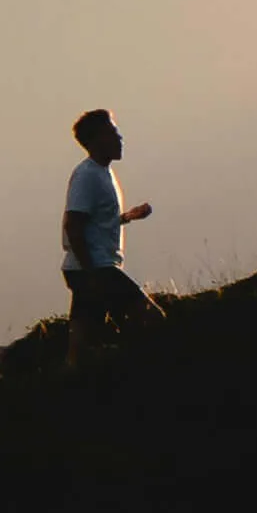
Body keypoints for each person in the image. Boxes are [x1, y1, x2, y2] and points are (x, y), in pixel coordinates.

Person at [61, 108, 161, 367]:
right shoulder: (87, 175)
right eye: (113, 133)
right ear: (96, 139)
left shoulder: (103, 174)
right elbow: (74, 225)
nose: (120, 139)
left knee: (81, 346)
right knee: (150, 318)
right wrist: (91, 273)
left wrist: (128, 216)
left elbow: (97, 221)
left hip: (91, 268)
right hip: (97, 268)